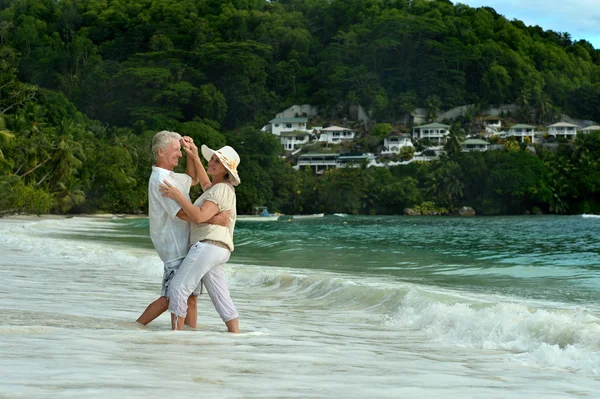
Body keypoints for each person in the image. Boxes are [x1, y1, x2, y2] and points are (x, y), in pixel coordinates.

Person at [136, 131, 229, 327]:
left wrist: (189, 152)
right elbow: (183, 214)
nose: (179, 154)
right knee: (172, 298)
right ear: (161, 152)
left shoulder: (170, 176)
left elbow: (192, 178)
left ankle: (187, 340)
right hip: (175, 249)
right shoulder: (161, 180)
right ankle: (136, 327)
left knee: (190, 298)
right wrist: (215, 219)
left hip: (186, 247)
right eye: (176, 150)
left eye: (180, 151)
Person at [159, 144, 240, 332]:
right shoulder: (218, 188)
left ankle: (176, 336)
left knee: (178, 288)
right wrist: (195, 156)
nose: (211, 162)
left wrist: (177, 196)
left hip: (208, 246)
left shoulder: (220, 189)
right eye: (212, 159)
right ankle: (237, 336)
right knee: (221, 297)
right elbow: (205, 185)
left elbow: (198, 216)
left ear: (226, 169)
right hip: (219, 248)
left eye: (217, 162)